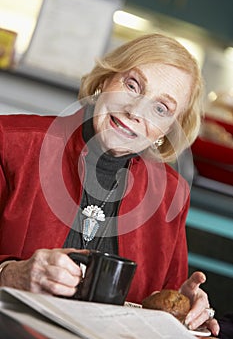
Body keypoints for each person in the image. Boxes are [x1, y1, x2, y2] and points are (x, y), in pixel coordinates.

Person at [0, 33, 219, 336]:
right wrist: (9, 274)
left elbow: (164, 301)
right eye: (132, 86)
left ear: (167, 130)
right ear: (105, 81)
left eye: (161, 109)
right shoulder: (10, 143)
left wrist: (188, 310)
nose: (135, 112)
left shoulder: (170, 194)